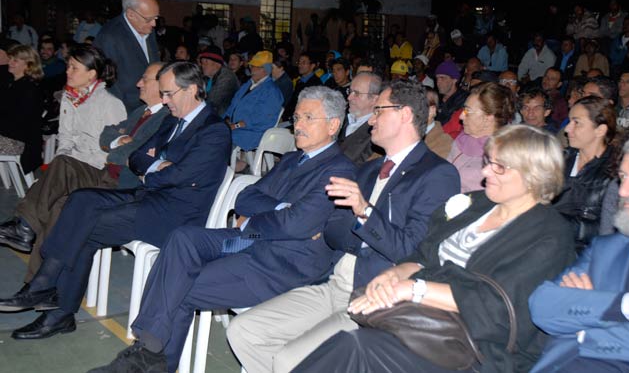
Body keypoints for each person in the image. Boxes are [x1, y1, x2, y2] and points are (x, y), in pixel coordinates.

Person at [89, 86, 357, 373]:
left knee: (181, 285)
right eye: (297, 117)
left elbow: (296, 223)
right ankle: (149, 352)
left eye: (308, 118)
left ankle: (149, 356)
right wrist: (280, 208)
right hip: (249, 240)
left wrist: (261, 216)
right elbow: (246, 197)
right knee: (183, 239)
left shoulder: (338, 171)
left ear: (333, 125)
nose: (298, 125)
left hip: (280, 264)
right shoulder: (292, 159)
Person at [294, 124, 576, 373]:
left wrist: (412, 289)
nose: (485, 170)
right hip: (424, 323)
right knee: (349, 343)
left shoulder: (549, 234)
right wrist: (396, 274)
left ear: (534, 175)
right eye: (488, 160)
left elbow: (497, 307)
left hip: (476, 348)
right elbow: (424, 254)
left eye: (499, 166)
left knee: (356, 348)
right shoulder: (476, 204)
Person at [227, 80, 461, 373]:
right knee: (243, 331)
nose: (370, 120)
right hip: (333, 283)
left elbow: (411, 251)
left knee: (288, 360)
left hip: (373, 295)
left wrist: (363, 213)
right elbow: (334, 231)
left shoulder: (437, 174)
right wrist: (362, 233)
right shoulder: (368, 169)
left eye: (378, 111)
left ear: (403, 114)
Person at [0, 61, 231, 342]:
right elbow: (137, 157)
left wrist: (154, 170)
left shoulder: (214, 131)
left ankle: (54, 303)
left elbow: (179, 176)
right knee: (80, 200)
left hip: (175, 215)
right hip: (148, 198)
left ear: (192, 89)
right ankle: (48, 292)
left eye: (169, 93)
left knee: (85, 226)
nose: (165, 100)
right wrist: (158, 165)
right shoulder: (172, 119)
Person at [0, 63, 168, 280]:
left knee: (62, 204)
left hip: (122, 184)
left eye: (144, 79)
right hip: (106, 174)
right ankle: (25, 230)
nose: (138, 84)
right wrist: (119, 140)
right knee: (63, 162)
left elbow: (126, 155)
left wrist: (119, 147)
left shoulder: (163, 119)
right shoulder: (140, 111)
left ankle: (40, 280)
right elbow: (105, 136)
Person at [529, 131, 629, 372]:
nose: (624, 191)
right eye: (623, 176)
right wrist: (625, 304)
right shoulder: (608, 248)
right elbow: (541, 305)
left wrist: (582, 331)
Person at [553, 96, 618, 251]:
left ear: (600, 130)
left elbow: (609, 229)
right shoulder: (561, 159)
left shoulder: (615, 171)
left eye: (577, 123)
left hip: (583, 253)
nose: (568, 129)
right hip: (549, 243)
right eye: (569, 121)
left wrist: (553, 221)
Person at [94, 0, 160, 112]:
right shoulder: (109, 37)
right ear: (130, 14)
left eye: (156, 18)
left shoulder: (147, 28)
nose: (154, 23)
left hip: (150, 105)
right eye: (149, 19)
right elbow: (108, 83)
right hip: (126, 110)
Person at [449, 82, 515, 192]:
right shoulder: (462, 139)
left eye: (468, 111)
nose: (461, 116)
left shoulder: (503, 154)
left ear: (488, 118)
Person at [223, 50, 284, 152]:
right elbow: (233, 104)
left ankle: (233, 164)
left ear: (265, 70)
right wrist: (227, 118)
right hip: (236, 127)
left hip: (253, 132)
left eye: (256, 67)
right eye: (251, 66)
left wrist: (235, 125)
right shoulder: (248, 84)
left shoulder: (272, 91)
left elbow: (262, 118)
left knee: (219, 138)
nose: (252, 69)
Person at [0, 45, 44, 175]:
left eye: (15, 60)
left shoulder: (29, 88)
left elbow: (20, 122)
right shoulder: (12, 82)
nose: (10, 62)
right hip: (10, 133)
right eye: (11, 59)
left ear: (28, 65)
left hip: (20, 141)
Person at [337, 72, 381, 166]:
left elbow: (361, 168)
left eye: (356, 93)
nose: (349, 98)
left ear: (374, 99)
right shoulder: (339, 118)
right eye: (350, 91)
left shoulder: (378, 132)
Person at [197, 46, 240, 117]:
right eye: (202, 62)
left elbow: (212, 101)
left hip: (224, 117)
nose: (203, 65)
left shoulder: (227, 77)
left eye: (206, 62)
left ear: (218, 64)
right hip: (212, 114)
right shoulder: (208, 77)